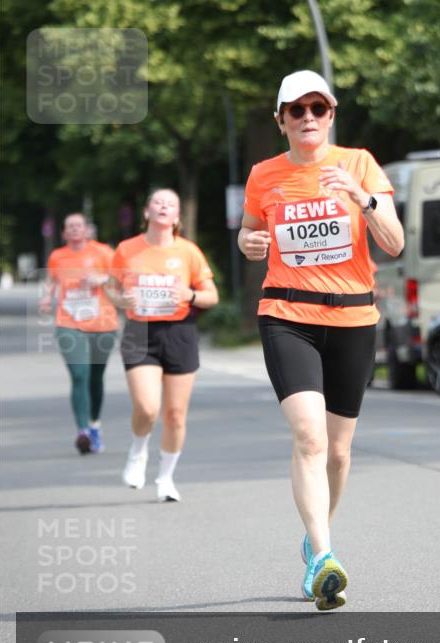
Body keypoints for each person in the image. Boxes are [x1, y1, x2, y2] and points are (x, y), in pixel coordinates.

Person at [239, 69, 404, 610]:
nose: (308, 118)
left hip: (354, 320)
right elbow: (247, 231)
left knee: (338, 453)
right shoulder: (264, 175)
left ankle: (315, 541)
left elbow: (395, 243)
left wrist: (362, 198)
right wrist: (248, 241)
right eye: (297, 110)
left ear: (331, 116)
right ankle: (324, 562)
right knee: (309, 438)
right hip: (287, 314)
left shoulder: (360, 164)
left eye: (319, 109)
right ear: (281, 119)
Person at [108, 189, 218, 502]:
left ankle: (166, 479)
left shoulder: (188, 252)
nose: (164, 206)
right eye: (157, 201)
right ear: (147, 212)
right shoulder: (127, 250)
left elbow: (212, 296)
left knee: (174, 415)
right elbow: (110, 290)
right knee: (147, 407)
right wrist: (121, 299)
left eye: (171, 203)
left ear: (177, 216)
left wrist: (190, 295)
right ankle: (138, 450)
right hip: (139, 331)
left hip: (179, 332)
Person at [39, 213, 118, 454]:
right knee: (79, 373)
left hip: (102, 323)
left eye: (78, 225)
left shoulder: (103, 252)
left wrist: (100, 279)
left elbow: (121, 280)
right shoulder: (58, 256)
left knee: (96, 377)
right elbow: (51, 281)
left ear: (87, 230)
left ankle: (94, 425)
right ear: (63, 233)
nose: (74, 229)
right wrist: (47, 296)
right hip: (68, 322)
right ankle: (82, 431)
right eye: (69, 226)